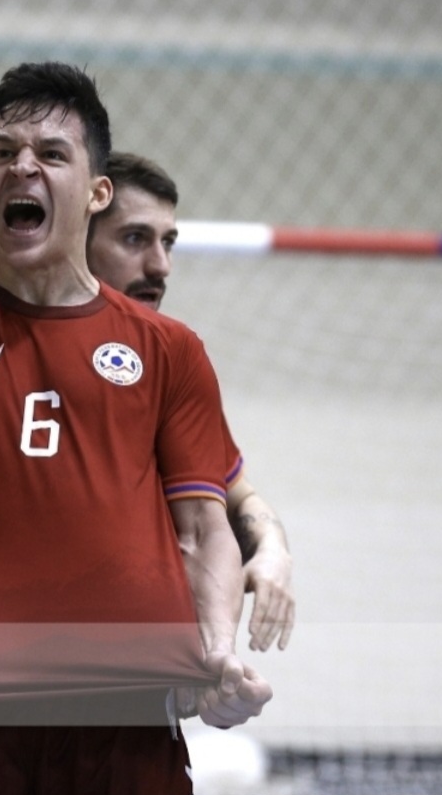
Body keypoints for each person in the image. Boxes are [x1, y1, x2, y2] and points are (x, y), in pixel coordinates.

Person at [0, 62, 272, 794]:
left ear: (97, 193)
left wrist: (218, 653)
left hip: (122, 721)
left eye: (52, 154)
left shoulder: (170, 350)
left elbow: (202, 530)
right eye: (3, 153)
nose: (22, 167)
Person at [86, 151, 294, 653]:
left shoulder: (170, 358)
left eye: (168, 242)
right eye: (135, 239)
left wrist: (274, 551)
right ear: (77, 236)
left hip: (144, 672)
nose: (160, 265)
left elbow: (238, 497)